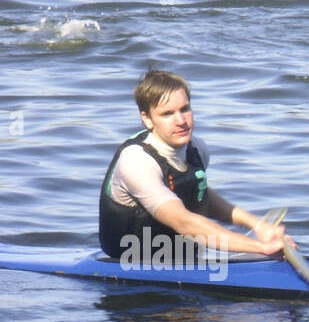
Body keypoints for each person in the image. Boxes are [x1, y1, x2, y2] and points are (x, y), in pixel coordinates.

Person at [98, 69, 291, 261]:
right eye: (167, 114)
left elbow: (200, 193)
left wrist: (258, 226)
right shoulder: (136, 162)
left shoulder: (197, 149)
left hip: (178, 258)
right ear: (147, 119)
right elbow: (184, 223)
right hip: (129, 262)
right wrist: (261, 248)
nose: (181, 121)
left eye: (185, 109)